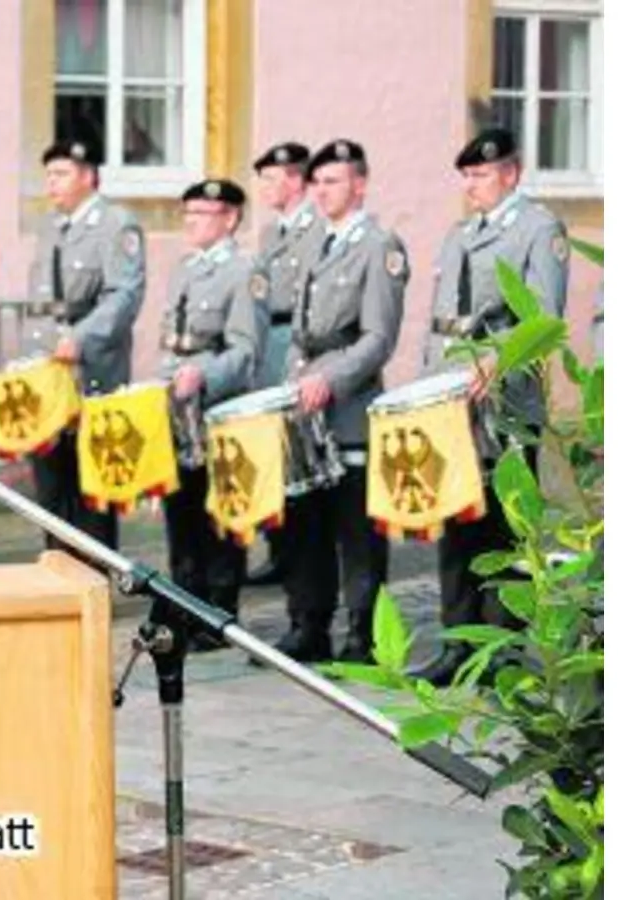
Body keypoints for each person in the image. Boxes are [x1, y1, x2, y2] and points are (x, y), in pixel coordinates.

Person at [410, 127, 570, 685]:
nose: (471, 186)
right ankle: (458, 644)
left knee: (505, 528)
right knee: (456, 524)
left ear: (511, 174)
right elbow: (439, 322)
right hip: (453, 403)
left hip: (504, 404)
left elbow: (543, 316)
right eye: (467, 177)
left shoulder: (538, 229)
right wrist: (423, 388)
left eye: (481, 175)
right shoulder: (460, 234)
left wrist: (494, 362)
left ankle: (505, 654)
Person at [277, 140, 408, 663]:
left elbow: (378, 337)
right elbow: (300, 326)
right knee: (305, 520)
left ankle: (362, 631)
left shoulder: (379, 245)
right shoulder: (313, 241)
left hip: (348, 404)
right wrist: (294, 377)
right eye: (317, 182)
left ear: (360, 184)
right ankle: (309, 623)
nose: (322, 191)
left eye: (333, 181)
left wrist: (331, 379)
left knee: (356, 528)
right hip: (305, 401)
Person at [155, 179, 264, 651]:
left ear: (231, 219)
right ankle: (185, 605)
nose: (192, 221)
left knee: (218, 517)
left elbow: (245, 350)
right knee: (182, 515)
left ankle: (219, 614)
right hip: (180, 414)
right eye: (189, 212)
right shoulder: (184, 270)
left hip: (218, 410)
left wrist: (203, 375)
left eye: (204, 212)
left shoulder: (243, 272)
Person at [24, 138, 147, 552]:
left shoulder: (116, 224)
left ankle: (96, 576)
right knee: (51, 482)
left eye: (61, 174)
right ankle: (60, 574)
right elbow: (42, 302)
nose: (51, 184)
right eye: (49, 175)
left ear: (88, 176)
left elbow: (124, 295)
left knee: (91, 486)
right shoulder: (52, 226)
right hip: (51, 375)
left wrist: (82, 337)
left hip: (91, 372)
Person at [244, 141, 324, 587]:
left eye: (274, 178)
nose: (267, 188)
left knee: (301, 448)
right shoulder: (271, 232)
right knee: (272, 449)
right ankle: (279, 548)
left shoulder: (315, 228)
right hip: (269, 342)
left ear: (296, 180)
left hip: (299, 340)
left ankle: (304, 550)